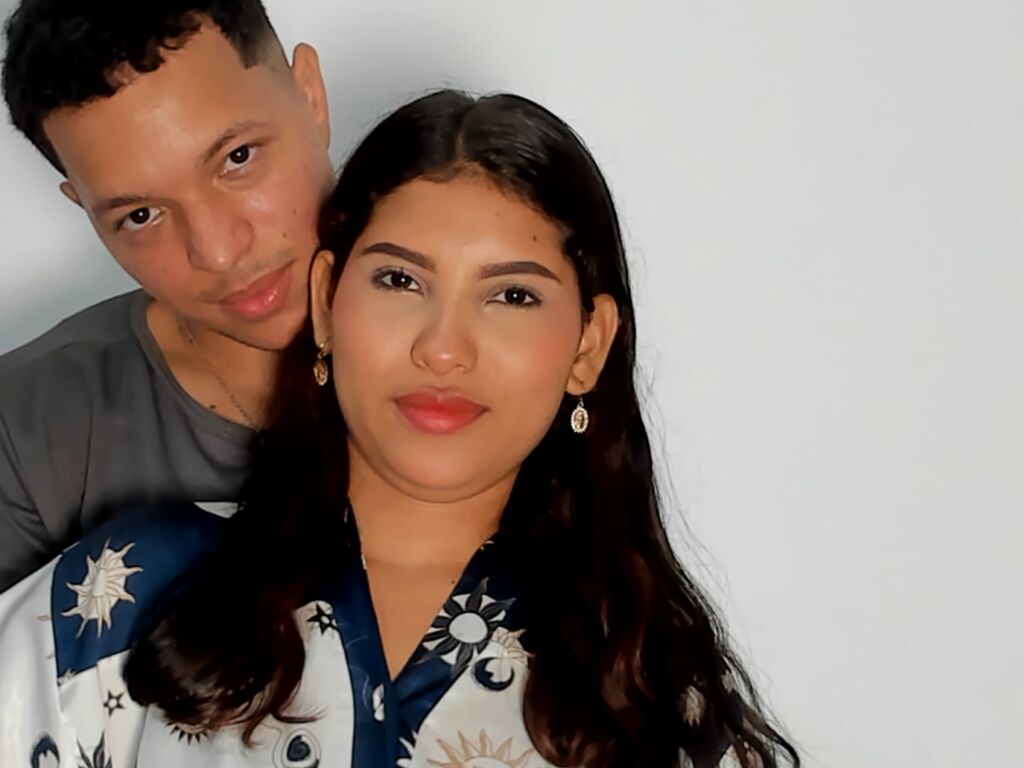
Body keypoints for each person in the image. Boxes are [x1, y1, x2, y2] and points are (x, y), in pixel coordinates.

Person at [0, 91, 799, 768]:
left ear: (587, 347)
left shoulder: (656, 701)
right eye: (399, 280)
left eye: (512, 296)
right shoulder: (121, 595)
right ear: (326, 302)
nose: (443, 348)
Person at [0, 0, 333, 590]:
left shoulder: (496, 332)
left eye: (237, 158)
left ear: (310, 95)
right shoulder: (26, 431)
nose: (218, 252)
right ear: (85, 209)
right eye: (141, 215)